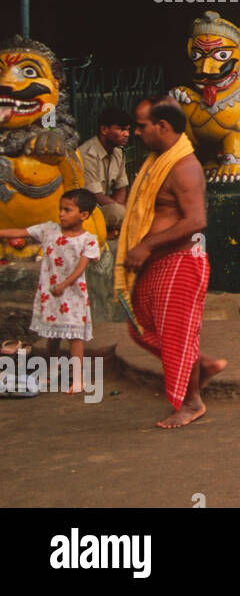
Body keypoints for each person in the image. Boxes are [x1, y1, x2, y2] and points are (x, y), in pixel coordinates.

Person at [116, 96, 226, 428]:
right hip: (158, 261)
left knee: (176, 335)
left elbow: (196, 221)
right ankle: (202, 364)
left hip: (180, 261)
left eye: (141, 126)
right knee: (139, 328)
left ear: (162, 126)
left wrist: (146, 245)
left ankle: (192, 403)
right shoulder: (157, 161)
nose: (136, 132)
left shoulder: (184, 166)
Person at [0, 188, 100, 394]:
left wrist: (64, 285)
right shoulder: (49, 230)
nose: (61, 213)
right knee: (53, 334)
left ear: (84, 215)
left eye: (67, 210)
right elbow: (21, 232)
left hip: (73, 296)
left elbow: (80, 268)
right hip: (50, 294)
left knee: (74, 336)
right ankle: (51, 374)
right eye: (60, 209)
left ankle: (79, 379)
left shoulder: (88, 240)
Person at [77, 107, 132, 230]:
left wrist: (119, 208)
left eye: (128, 130)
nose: (127, 134)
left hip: (108, 207)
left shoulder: (118, 152)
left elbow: (121, 187)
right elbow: (96, 196)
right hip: (89, 210)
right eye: (121, 129)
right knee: (121, 212)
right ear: (104, 130)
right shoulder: (86, 153)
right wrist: (120, 211)